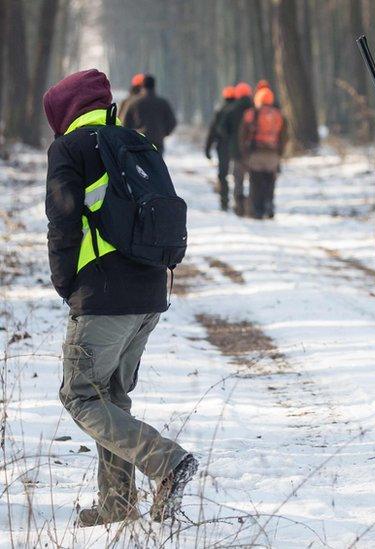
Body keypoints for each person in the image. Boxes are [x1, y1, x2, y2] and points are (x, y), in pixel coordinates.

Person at [42, 69, 198, 527]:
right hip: (150, 293)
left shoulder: (69, 148)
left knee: (81, 397)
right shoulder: (135, 142)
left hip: (103, 295)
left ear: (64, 112)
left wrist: (65, 283)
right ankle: (117, 505)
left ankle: (165, 461)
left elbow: (63, 222)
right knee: (111, 395)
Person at [238, 87, 287, 219]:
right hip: (272, 154)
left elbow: (242, 135)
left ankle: (258, 209)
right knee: (270, 181)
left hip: (256, 154)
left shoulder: (250, 114)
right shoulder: (278, 115)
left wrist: (244, 153)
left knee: (256, 182)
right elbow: (284, 136)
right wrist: (280, 153)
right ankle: (269, 204)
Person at [221, 82, 254, 216]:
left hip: (236, 151)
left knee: (238, 180)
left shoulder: (231, 110)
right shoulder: (254, 108)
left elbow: (222, 130)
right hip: (253, 151)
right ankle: (253, 207)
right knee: (254, 180)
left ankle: (239, 207)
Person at [121, 74, 176, 154]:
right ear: (154, 86)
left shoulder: (133, 103)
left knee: (140, 166)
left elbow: (124, 123)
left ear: (142, 86)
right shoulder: (163, 103)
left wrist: (131, 136)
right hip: (157, 142)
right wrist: (163, 133)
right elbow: (172, 122)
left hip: (138, 143)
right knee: (157, 165)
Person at [205, 86, 237, 211]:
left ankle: (224, 201)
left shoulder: (221, 110)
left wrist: (208, 148)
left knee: (223, 174)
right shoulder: (241, 110)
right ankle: (239, 202)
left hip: (223, 147)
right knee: (238, 174)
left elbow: (213, 130)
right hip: (238, 147)